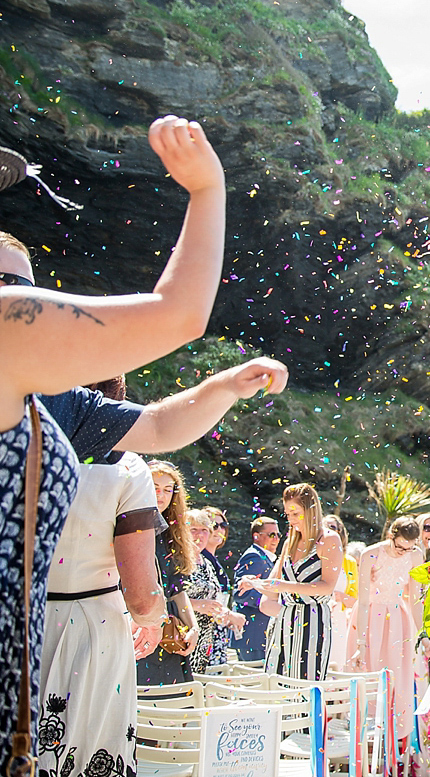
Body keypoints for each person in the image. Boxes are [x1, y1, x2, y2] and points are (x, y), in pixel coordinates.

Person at [0, 116, 226, 764]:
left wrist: (222, 388)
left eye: (25, 290)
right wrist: (207, 191)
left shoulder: (55, 402)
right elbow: (179, 313)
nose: (18, 304)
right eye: (8, 290)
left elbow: (156, 425)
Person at [38, 377, 165, 777]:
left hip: (19, 619)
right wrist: (153, 619)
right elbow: (141, 594)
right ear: (117, 408)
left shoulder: (21, 444)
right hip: (94, 631)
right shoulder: (128, 468)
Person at [239, 484, 342, 681]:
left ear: (311, 510)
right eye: (288, 514)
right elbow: (273, 583)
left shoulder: (329, 540)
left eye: (295, 513)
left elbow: (327, 586)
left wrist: (283, 586)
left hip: (313, 622)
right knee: (275, 680)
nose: (291, 520)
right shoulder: (290, 542)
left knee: (304, 684)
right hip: (283, 620)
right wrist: (253, 582)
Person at [353, 517, 424, 753]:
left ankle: (393, 747)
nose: (403, 552)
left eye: (409, 548)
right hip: (370, 616)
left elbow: (415, 600)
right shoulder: (370, 554)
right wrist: (361, 642)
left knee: (398, 679)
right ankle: (365, 745)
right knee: (369, 676)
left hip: (397, 620)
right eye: (399, 546)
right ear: (391, 536)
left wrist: (423, 634)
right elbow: (363, 601)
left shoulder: (415, 557)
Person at [139, 461, 200, 685]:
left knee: (173, 706)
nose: (161, 495)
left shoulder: (172, 531)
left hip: (170, 631)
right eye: (154, 487)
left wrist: (193, 627)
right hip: (140, 625)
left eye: (167, 489)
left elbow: (177, 589)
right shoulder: (130, 527)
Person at [184, 508, 241, 675]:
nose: (200, 536)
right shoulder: (178, 562)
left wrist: (226, 614)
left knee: (214, 694)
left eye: (204, 531)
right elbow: (165, 599)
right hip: (188, 639)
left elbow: (213, 600)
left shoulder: (206, 563)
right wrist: (196, 605)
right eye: (193, 530)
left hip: (213, 641)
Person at [232, 516, 280, 661]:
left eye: (278, 535)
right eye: (271, 535)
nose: (276, 539)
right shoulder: (254, 556)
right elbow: (241, 593)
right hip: (252, 635)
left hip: (259, 635)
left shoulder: (265, 558)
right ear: (256, 536)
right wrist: (271, 601)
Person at [322, 515, 356, 672]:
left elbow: (355, 600)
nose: (329, 531)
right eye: (326, 527)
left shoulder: (349, 562)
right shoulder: (315, 558)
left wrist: (340, 597)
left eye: (334, 528)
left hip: (339, 618)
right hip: (318, 613)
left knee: (338, 660)